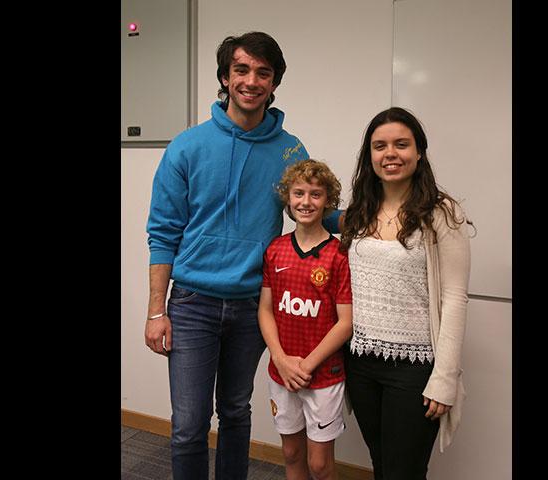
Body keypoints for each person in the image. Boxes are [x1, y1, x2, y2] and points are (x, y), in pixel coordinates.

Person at [144, 32, 341, 480]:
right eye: (241, 70)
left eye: (263, 73)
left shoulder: (290, 150)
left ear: (274, 84)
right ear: (225, 77)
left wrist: (384, 214)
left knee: (236, 412)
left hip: (254, 305)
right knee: (189, 426)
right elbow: (162, 234)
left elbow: (320, 212)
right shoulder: (188, 146)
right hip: (193, 303)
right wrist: (157, 310)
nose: (251, 81)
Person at [340, 107, 472, 479]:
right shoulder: (360, 211)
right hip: (361, 362)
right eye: (379, 146)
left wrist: (445, 377)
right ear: (370, 156)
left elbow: (455, 298)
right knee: (382, 464)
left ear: (419, 152)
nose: (390, 154)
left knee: (405, 471)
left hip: (415, 370)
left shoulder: (443, 214)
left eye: (401, 144)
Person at [258, 160, 353, 480]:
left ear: (328, 201)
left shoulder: (339, 254)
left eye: (316, 194)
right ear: (287, 199)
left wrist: (307, 365)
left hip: (323, 374)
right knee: (291, 453)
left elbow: (345, 322)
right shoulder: (275, 249)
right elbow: (266, 310)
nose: (306, 202)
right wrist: (280, 358)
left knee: (320, 465)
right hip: (282, 370)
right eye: (298, 193)